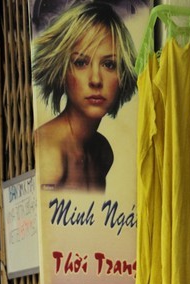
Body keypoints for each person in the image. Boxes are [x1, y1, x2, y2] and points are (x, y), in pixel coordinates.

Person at [32, 0, 137, 191]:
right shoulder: (49, 153)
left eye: (109, 64)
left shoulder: (103, 153)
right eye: (80, 63)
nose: (95, 79)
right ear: (61, 69)